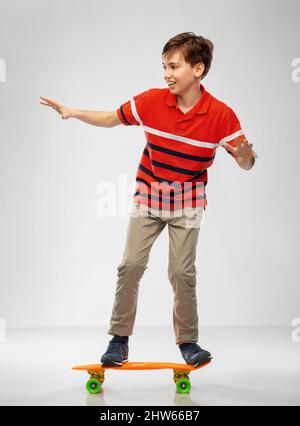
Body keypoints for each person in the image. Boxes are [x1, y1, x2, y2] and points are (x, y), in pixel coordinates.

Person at [40, 32, 257, 368]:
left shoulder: (220, 115)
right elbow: (112, 118)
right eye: (164, 67)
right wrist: (73, 112)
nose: (166, 74)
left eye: (173, 66)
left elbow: (246, 162)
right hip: (149, 197)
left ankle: (189, 342)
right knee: (130, 265)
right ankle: (119, 340)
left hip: (188, 204)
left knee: (181, 272)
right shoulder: (151, 101)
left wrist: (245, 154)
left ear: (198, 69)